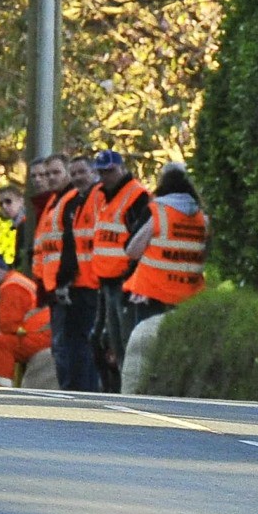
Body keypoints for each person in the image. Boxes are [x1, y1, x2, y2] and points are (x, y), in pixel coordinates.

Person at [123, 162, 208, 332]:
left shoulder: (157, 211)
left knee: (146, 347)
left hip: (151, 292)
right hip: (189, 293)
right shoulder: (202, 218)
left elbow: (132, 250)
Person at [90, 149, 150, 387]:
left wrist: (132, 276)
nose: (106, 176)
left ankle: (132, 390)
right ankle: (122, 388)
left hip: (125, 280)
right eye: (102, 172)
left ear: (122, 169)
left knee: (126, 340)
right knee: (112, 342)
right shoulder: (106, 196)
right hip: (107, 280)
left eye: (110, 171)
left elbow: (140, 241)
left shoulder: (136, 196)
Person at [43, 155, 102, 392]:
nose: (77, 177)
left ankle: (83, 391)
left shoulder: (82, 199)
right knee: (71, 343)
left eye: (81, 172)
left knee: (80, 342)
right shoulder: (66, 201)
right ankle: (77, 391)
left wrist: (63, 280)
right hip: (72, 283)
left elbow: (72, 244)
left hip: (88, 282)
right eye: (74, 172)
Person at [0, 253, 52, 388]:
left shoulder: (10, 286)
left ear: (1, 268)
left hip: (40, 334)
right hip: (44, 332)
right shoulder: (18, 280)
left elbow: (8, 325)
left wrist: (9, 332)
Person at [30, 154, 71, 305]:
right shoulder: (47, 204)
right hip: (47, 281)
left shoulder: (63, 201)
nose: (38, 180)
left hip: (62, 282)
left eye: (43, 175)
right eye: (33, 176)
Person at [0, 185, 26, 268]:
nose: (4, 206)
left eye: (8, 201)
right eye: (0, 204)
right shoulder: (19, 225)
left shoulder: (27, 224)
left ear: (21, 201)